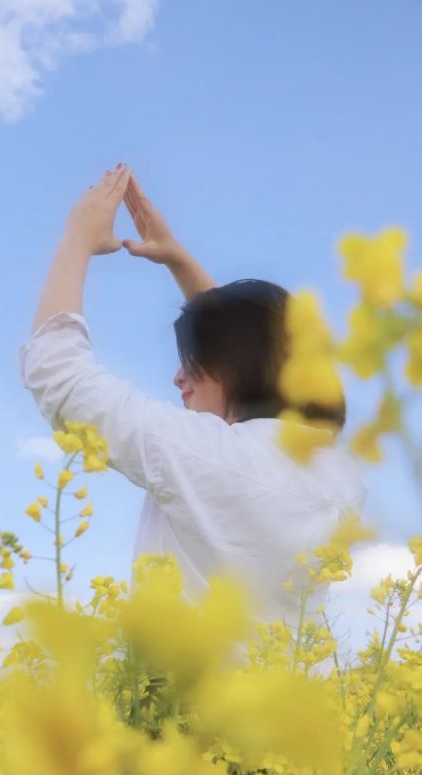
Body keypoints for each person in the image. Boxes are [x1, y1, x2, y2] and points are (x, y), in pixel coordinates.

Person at [19, 164, 366, 640]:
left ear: (239, 365)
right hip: (286, 708)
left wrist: (76, 240)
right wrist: (179, 262)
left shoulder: (208, 457)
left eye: (195, 361)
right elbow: (256, 352)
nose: (178, 376)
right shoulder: (340, 476)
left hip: (181, 709)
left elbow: (58, 374)